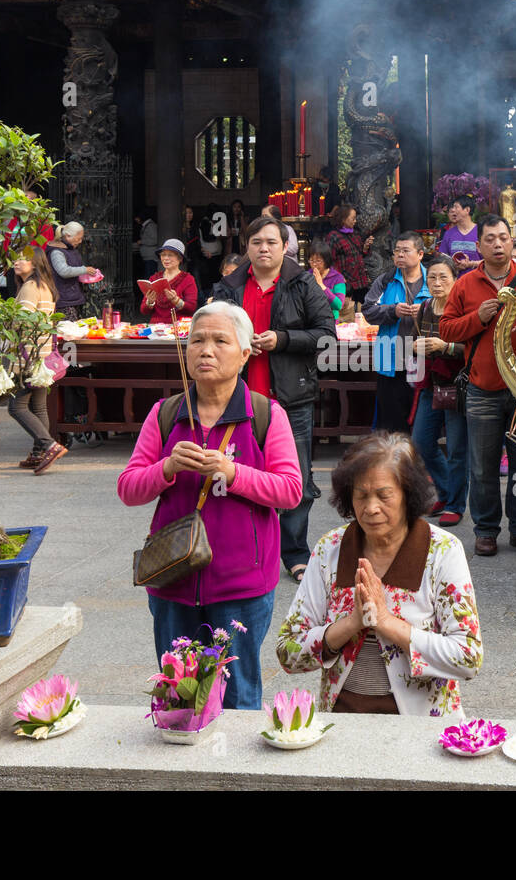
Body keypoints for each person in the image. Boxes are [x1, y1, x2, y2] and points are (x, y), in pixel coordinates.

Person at [119, 301, 302, 710]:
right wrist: (166, 467)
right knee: (178, 697)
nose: (206, 350)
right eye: (197, 340)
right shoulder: (165, 414)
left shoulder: (264, 415)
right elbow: (129, 489)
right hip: (173, 579)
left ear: (244, 353)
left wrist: (232, 473)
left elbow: (290, 490)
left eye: (221, 340)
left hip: (241, 586)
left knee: (238, 699)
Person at [276, 433, 481, 716]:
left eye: (384, 496)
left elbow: (468, 656)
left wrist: (387, 623)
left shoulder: (443, 551)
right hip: (341, 721)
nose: (371, 508)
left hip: (421, 727)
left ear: (408, 496)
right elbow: (287, 651)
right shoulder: (330, 549)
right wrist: (350, 625)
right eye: (361, 495)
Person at [211, 214, 336, 582]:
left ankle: (295, 552)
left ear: (285, 247)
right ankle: (244, 548)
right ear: (246, 247)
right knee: (237, 473)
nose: (263, 249)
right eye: (256, 243)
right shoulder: (229, 286)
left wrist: (281, 340)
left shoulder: (301, 283)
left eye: (271, 243)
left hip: (290, 397)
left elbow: (325, 334)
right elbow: (214, 330)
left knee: (295, 478)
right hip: (238, 397)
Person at [440, 214, 516, 556]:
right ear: (479, 245)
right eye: (490, 239)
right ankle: (486, 529)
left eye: (503, 238)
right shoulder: (465, 284)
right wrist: (476, 318)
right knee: (482, 465)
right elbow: (447, 330)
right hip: (482, 390)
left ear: (513, 243)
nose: (497, 244)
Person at [411, 257, 467, 528]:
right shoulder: (424, 308)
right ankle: (445, 493)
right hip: (430, 385)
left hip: (457, 385)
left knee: (457, 448)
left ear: (455, 279)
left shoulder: (462, 310)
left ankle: (455, 504)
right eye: (432, 277)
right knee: (421, 443)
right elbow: (412, 342)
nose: (436, 283)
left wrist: (445, 347)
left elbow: (471, 349)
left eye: (443, 277)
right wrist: (416, 348)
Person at [8, 246, 67, 473]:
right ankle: (38, 453)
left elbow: (22, 322)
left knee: (17, 406)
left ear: (36, 263)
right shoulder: (44, 285)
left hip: (28, 356)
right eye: (17, 257)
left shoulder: (30, 287)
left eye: (24, 258)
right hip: (42, 355)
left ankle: (49, 445)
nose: (18, 261)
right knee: (38, 406)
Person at [363, 232, 430, 434]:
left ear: (420, 254)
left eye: (405, 251)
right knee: (391, 427)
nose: (400, 255)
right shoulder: (386, 280)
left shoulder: (433, 280)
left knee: (420, 427)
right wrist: (392, 311)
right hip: (390, 362)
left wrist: (426, 312)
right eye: (397, 251)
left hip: (423, 363)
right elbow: (368, 310)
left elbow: (448, 312)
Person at [47, 221, 98, 321]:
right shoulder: (56, 251)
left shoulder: (70, 249)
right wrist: (84, 270)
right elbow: (64, 271)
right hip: (63, 299)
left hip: (72, 296)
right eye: (78, 238)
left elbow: (74, 268)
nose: (80, 241)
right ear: (67, 236)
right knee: (67, 330)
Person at [140, 239, 198, 324]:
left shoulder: (188, 279)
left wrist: (176, 300)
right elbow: (143, 311)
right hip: (156, 328)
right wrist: (150, 302)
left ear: (180, 258)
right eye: (163, 255)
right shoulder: (154, 278)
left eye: (170, 255)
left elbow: (191, 309)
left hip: (179, 328)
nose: (166, 258)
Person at [324, 204, 370, 308]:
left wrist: (365, 248)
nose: (355, 221)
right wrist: (338, 278)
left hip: (361, 282)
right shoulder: (333, 237)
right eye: (353, 218)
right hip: (347, 284)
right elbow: (329, 261)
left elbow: (359, 254)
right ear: (343, 219)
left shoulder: (355, 234)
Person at [438, 195, 480, 271]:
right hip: (455, 281)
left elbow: (490, 261)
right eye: (453, 208)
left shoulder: (481, 232)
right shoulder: (448, 233)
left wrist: (470, 264)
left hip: (477, 280)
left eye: (456, 207)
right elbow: (442, 259)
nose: (453, 210)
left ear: (467, 210)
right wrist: (454, 265)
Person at [308, 241, 347, 318]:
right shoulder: (306, 276)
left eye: (318, 261)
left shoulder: (337, 278)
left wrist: (321, 285)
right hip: (310, 322)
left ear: (326, 260)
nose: (314, 264)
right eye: (311, 260)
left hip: (330, 322)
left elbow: (338, 305)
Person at [136, 207, 160, 277]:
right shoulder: (146, 226)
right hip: (148, 257)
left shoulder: (150, 226)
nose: (136, 220)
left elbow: (155, 240)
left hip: (151, 258)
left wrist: (142, 242)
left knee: (150, 277)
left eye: (137, 217)